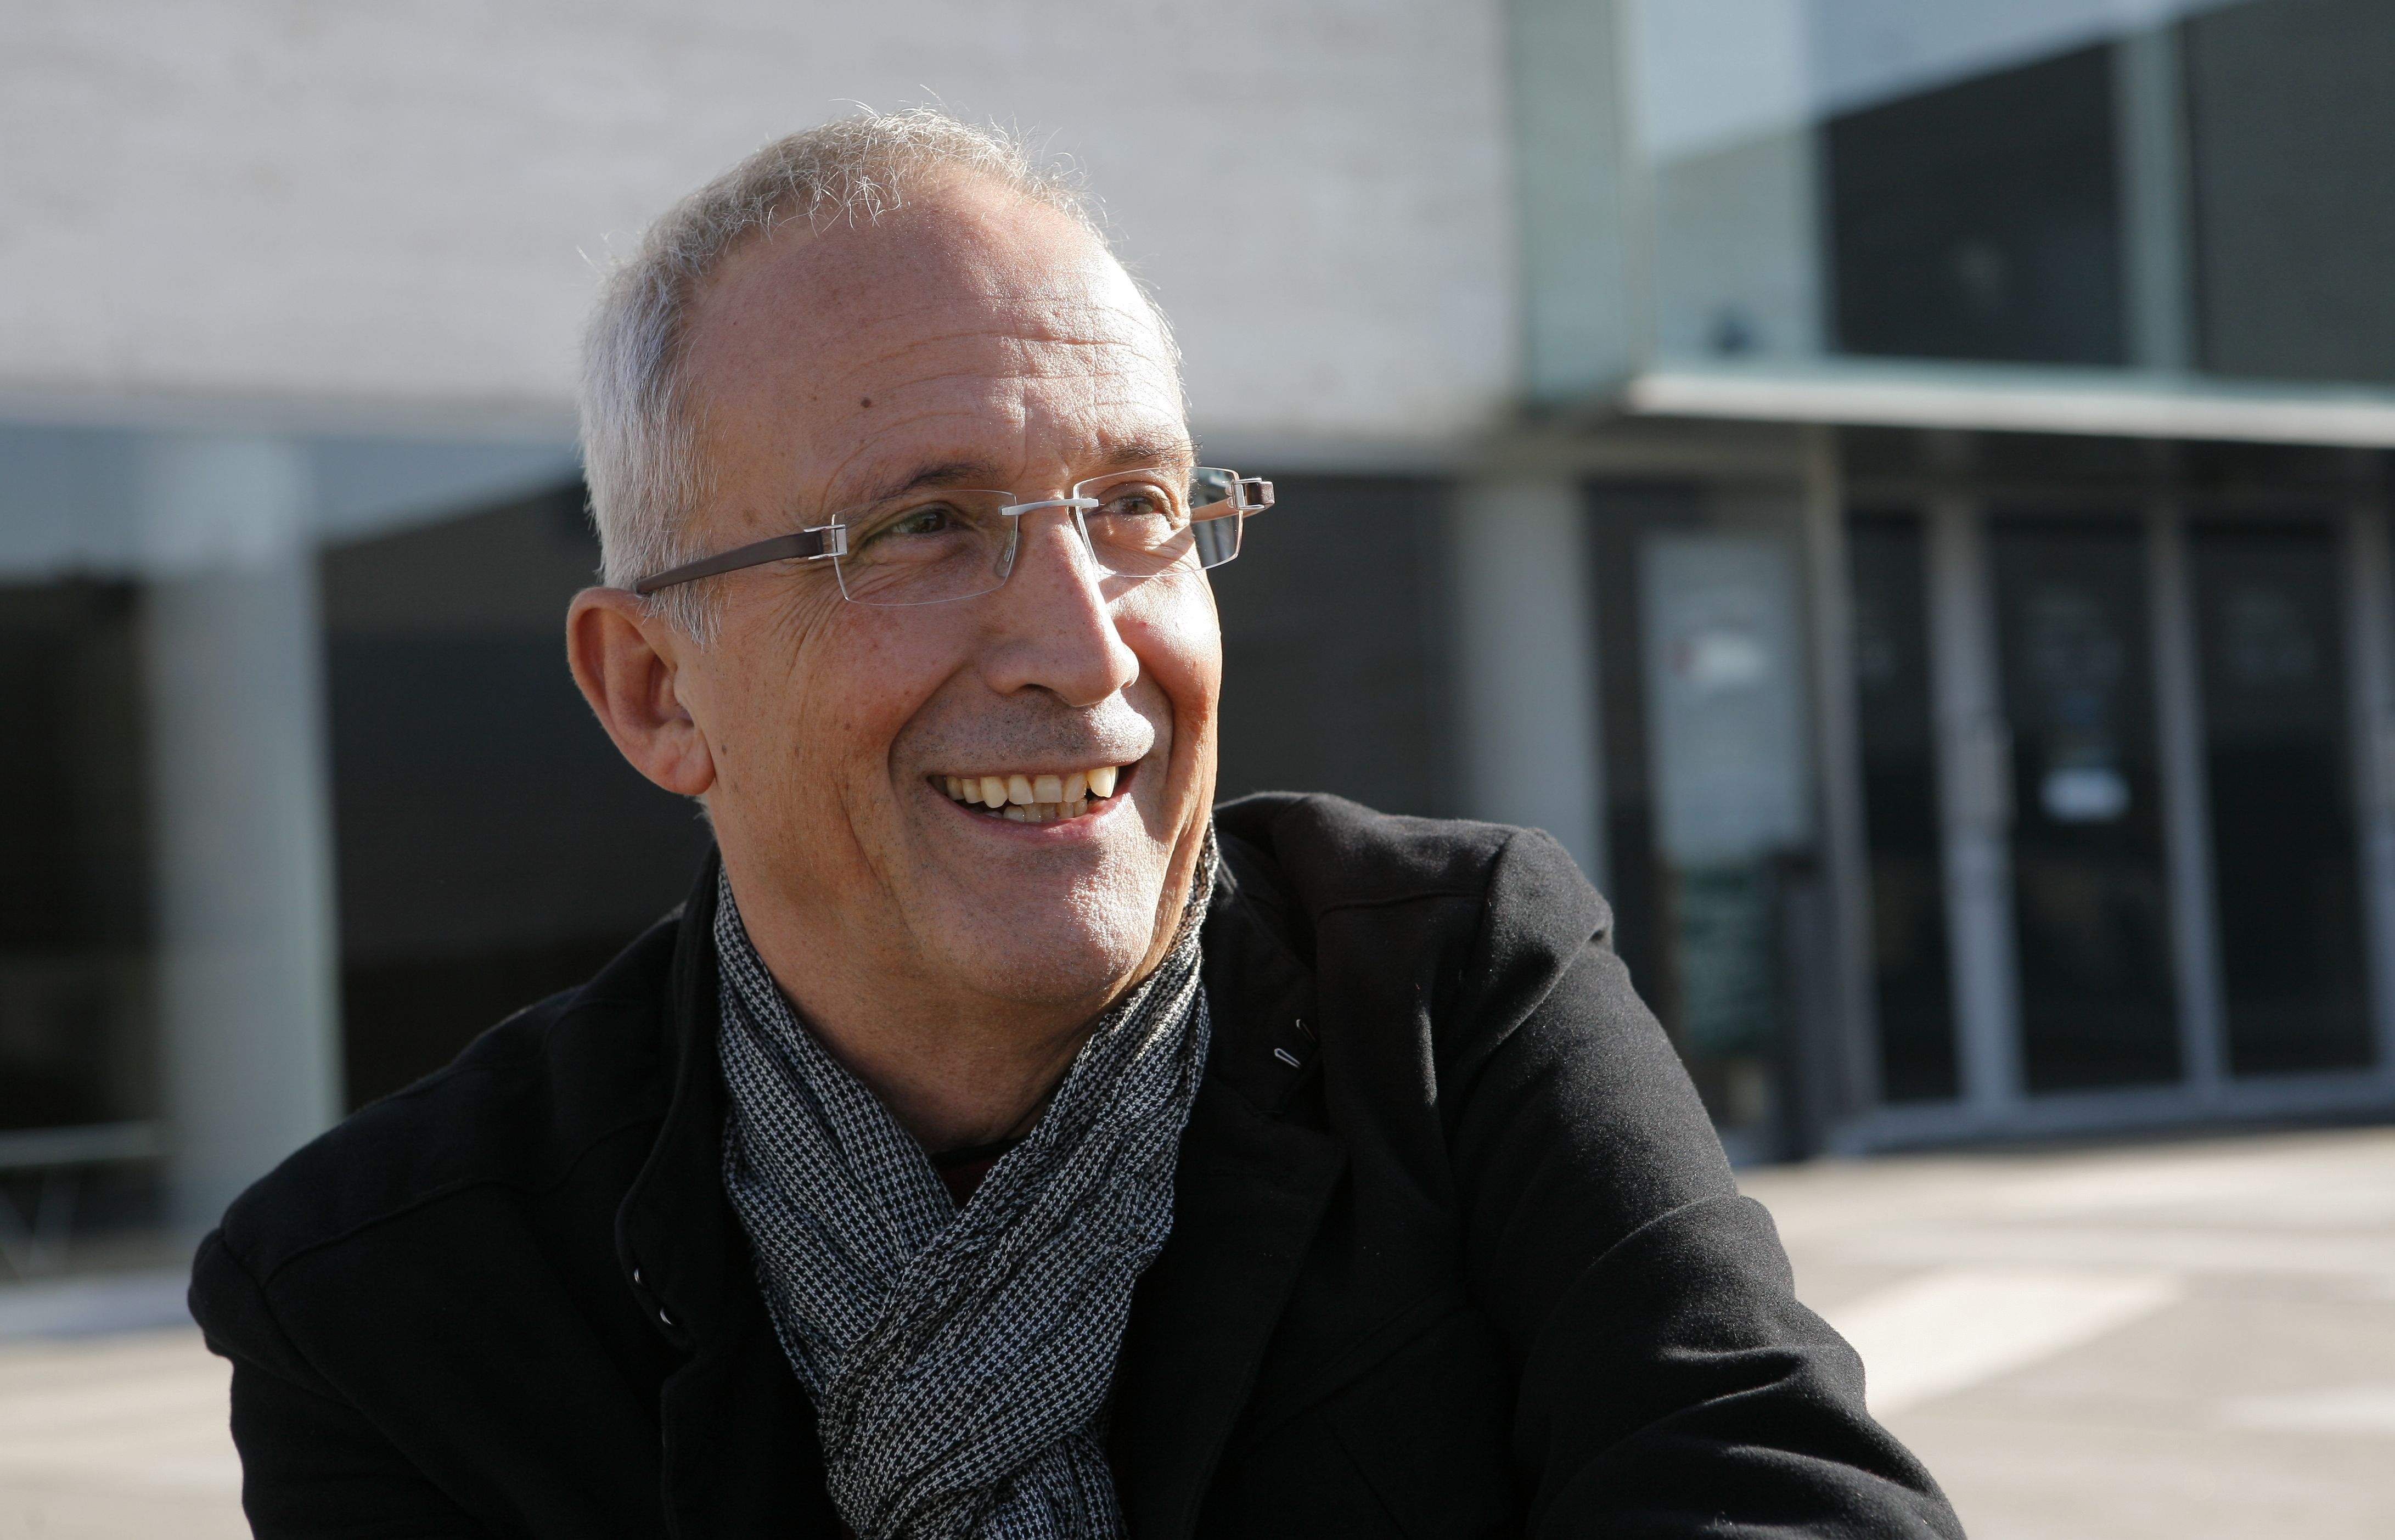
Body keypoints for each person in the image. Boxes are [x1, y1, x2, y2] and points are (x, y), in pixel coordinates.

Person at [189, 110, 1961, 1539]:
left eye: (1134, 508)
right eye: (919, 529)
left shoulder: (1447, 996)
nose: (1086, 646)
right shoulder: (386, 1296)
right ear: (655, 689)